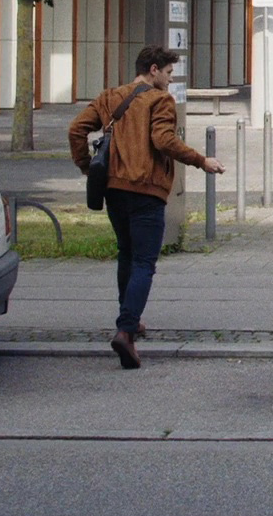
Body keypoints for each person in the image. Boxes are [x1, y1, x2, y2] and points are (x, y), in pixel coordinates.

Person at [68, 45, 224, 369]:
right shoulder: (159, 100)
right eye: (168, 73)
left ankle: (130, 317)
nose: (170, 80)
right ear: (154, 70)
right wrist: (201, 160)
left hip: (114, 190)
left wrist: (87, 167)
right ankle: (126, 331)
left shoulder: (110, 97)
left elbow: (76, 130)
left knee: (126, 254)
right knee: (143, 262)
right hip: (146, 192)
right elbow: (163, 140)